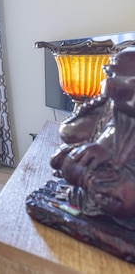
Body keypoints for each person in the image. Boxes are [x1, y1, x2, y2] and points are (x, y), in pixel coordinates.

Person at [51, 50, 135, 226]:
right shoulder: (112, 105)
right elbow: (68, 132)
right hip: (104, 171)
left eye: (113, 75)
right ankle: (89, 193)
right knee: (65, 160)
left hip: (127, 179)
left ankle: (90, 197)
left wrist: (106, 149)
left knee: (124, 199)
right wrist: (91, 106)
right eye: (108, 73)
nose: (108, 81)